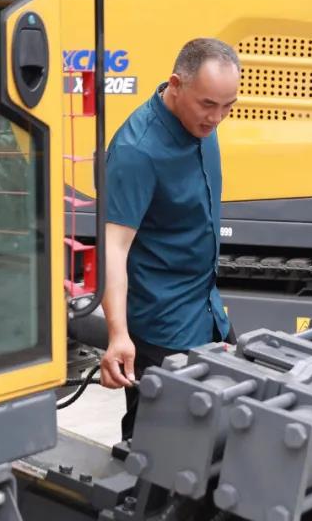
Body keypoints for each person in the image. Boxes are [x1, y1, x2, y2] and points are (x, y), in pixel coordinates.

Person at [99, 37, 240, 441]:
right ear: (175, 84)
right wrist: (118, 335)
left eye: (228, 106)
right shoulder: (137, 151)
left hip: (207, 312)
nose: (217, 118)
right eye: (208, 104)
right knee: (157, 446)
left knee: (222, 433)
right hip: (162, 329)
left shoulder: (201, 123)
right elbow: (113, 248)